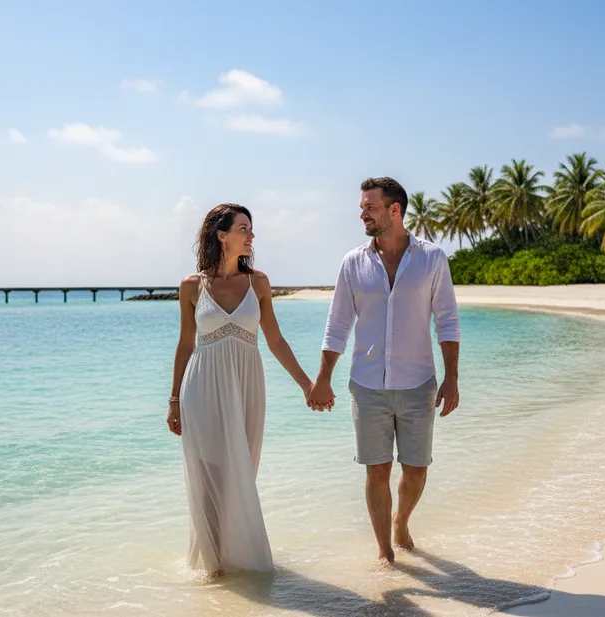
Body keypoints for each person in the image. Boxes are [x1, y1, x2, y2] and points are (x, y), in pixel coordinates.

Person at [307, 176, 461, 568]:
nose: (362, 214)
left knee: (416, 471)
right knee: (376, 470)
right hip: (367, 385)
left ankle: (401, 521)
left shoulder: (432, 259)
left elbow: (447, 321)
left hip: (419, 382)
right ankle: (385, 552)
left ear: (395, 210)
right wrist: (323, 377)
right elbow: (337, 324)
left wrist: (452, 378)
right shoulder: (353, 263)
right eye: (362, 207)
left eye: (369, 207)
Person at [167, 203, 313, 577]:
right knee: (208, 472)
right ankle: (213, 565)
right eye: (243, 228)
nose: (251, 235)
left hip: (247, 384)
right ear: (222, 235)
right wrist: (173, 400)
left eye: (251, 229)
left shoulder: (259, 283)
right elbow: (185, 345)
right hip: (201, 387)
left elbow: (276, 341)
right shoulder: (191, 286)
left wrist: (306, 384)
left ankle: (237, 559)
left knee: (242, 471)